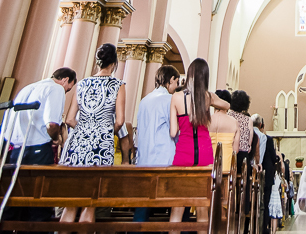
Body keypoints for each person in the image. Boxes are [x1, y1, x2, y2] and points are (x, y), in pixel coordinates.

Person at [60, 44, 126, 225]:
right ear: (114, 63)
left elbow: (70, 119)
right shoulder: (118, 85)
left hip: (78, 142)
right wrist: (103, 131)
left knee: (70, 203)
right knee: (91, 202)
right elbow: (120, 120)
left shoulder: (81, 84)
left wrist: (86, 128)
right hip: (101, 145)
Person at [4, 67, 78, 223]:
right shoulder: (56, 88)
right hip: (38, 148)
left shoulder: (28, 88)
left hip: (16, 149)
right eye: (68, 89)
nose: (66, 92)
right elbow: (52, 123)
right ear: (65, 80)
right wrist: (56, 138)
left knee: (14, 197)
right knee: (40, 198)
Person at [169, 59, 230, 227]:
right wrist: (212, 100)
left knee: (177, 209)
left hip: (183, 153)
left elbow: (173, 132)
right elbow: (226, 104)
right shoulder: (208, 96)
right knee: (203, 208)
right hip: (204, 152)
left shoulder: (176, 97)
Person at [132, 64, 181, 222]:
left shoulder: (145, 100)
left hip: (144, 158)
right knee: (173, 206)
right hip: (163, 157)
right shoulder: (170, 99)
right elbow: (175, 131)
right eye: (177, 82)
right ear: (171, 79)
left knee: (143, 206)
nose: (177, 86)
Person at [209, 89, 240, 173]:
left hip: (208, 163)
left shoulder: (207, 120)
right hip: (227, 164)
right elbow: (235, 150)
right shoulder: (234, 122)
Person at [228, 90, 254, 175]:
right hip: (242, 156)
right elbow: (249, 142)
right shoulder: (248, 120)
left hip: (229, 154)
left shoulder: (228, 116)